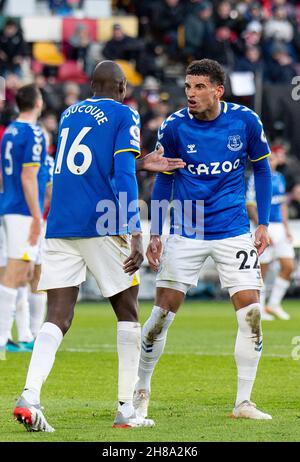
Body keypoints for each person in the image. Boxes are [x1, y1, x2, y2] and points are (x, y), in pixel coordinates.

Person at [13, 60, 185, 432]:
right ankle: (126, 409)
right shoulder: (126, 115)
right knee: (127, 310)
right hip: (102, 223)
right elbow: (118, 173)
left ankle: (29, 396)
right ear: (122, 87)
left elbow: (86, 165)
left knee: (57, 315)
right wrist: (135, 230)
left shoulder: (71, 114)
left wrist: (142, 163)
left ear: (92, 85)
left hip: (61, 223)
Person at [134, 59, 273, 421]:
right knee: (162, 314)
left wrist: (265, 223)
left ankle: (244, 402)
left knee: (252, 314)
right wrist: (156, 232)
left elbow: (262, 167)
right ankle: (140, 391)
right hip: (187, 229)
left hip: (233, 229)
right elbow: (164, 177)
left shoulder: (245, 121)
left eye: (199, 87)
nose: (191, 94)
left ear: (217, 90)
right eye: (188, 87)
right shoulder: (175, 126)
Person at [0, 84, 47, 357]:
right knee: (16, 272)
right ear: (38, 102)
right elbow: (28, 177)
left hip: (9, 206)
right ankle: (4, 338)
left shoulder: (9, 132)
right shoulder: (34, 133)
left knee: (22, 273)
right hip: (22, 209)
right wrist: (34, 215)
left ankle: (14, 336)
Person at [247, 150, 295, 320]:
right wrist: (262, 227)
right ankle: (260, 307)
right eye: (272, 157)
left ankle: (274, 304)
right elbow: (250, 205)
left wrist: (287, 229)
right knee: (263, 269)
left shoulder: (280, 177)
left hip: (279, 226)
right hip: (264, 225)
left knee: (289, 266)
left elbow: (282, 205)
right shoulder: (255, 177)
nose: (274, 161)